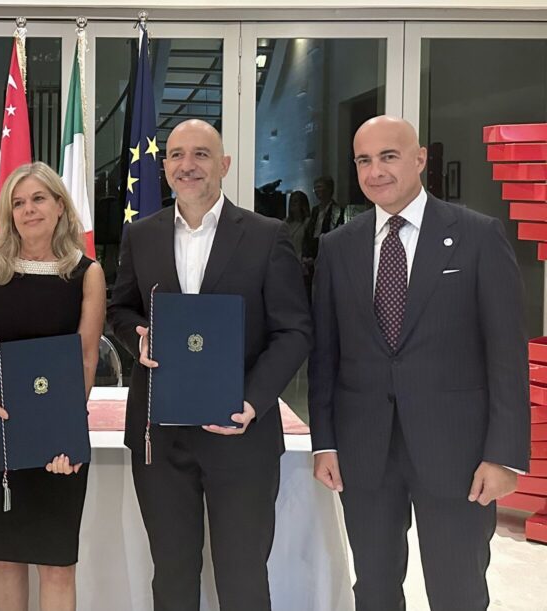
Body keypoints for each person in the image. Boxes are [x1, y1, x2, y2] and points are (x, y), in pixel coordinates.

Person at [309, 115, 530, 611]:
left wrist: (503, 455)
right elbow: (325, 355)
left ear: (420, 159)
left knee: (457, 592)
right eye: (364, 160)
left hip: (458, 454)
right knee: (374, 589)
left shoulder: (477, 236)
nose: (376, 171)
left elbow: (506, 355)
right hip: (365, 452)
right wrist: (325, 442)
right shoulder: (338, 247)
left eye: (388, 156)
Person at [107, 119, 311, 610]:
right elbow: (121, 309)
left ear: (224, 165)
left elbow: (294, 331)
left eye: (201, 154)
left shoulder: (267, 236)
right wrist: (138, 338)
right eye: (177, 155)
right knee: (172, 574)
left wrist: (253, 402)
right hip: (161, 436)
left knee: (243, 577)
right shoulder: (142, 235)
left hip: (240, 432)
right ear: (165, 167)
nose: (187, 165)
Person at [0, 162, 106, 611]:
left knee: (57, 562)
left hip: (57, 433)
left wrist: (65, 433)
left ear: (60, 205)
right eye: (18, 203)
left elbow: (86, 357)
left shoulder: (86, 273)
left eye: (38, 199)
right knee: (6, 557)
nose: (29, 210)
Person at [285, 190, 310, 258]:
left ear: (302, 204)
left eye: (296, 201)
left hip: (300, 259)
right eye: (291, 201)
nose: (292, 204)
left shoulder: (308, 222)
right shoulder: (285, 223)